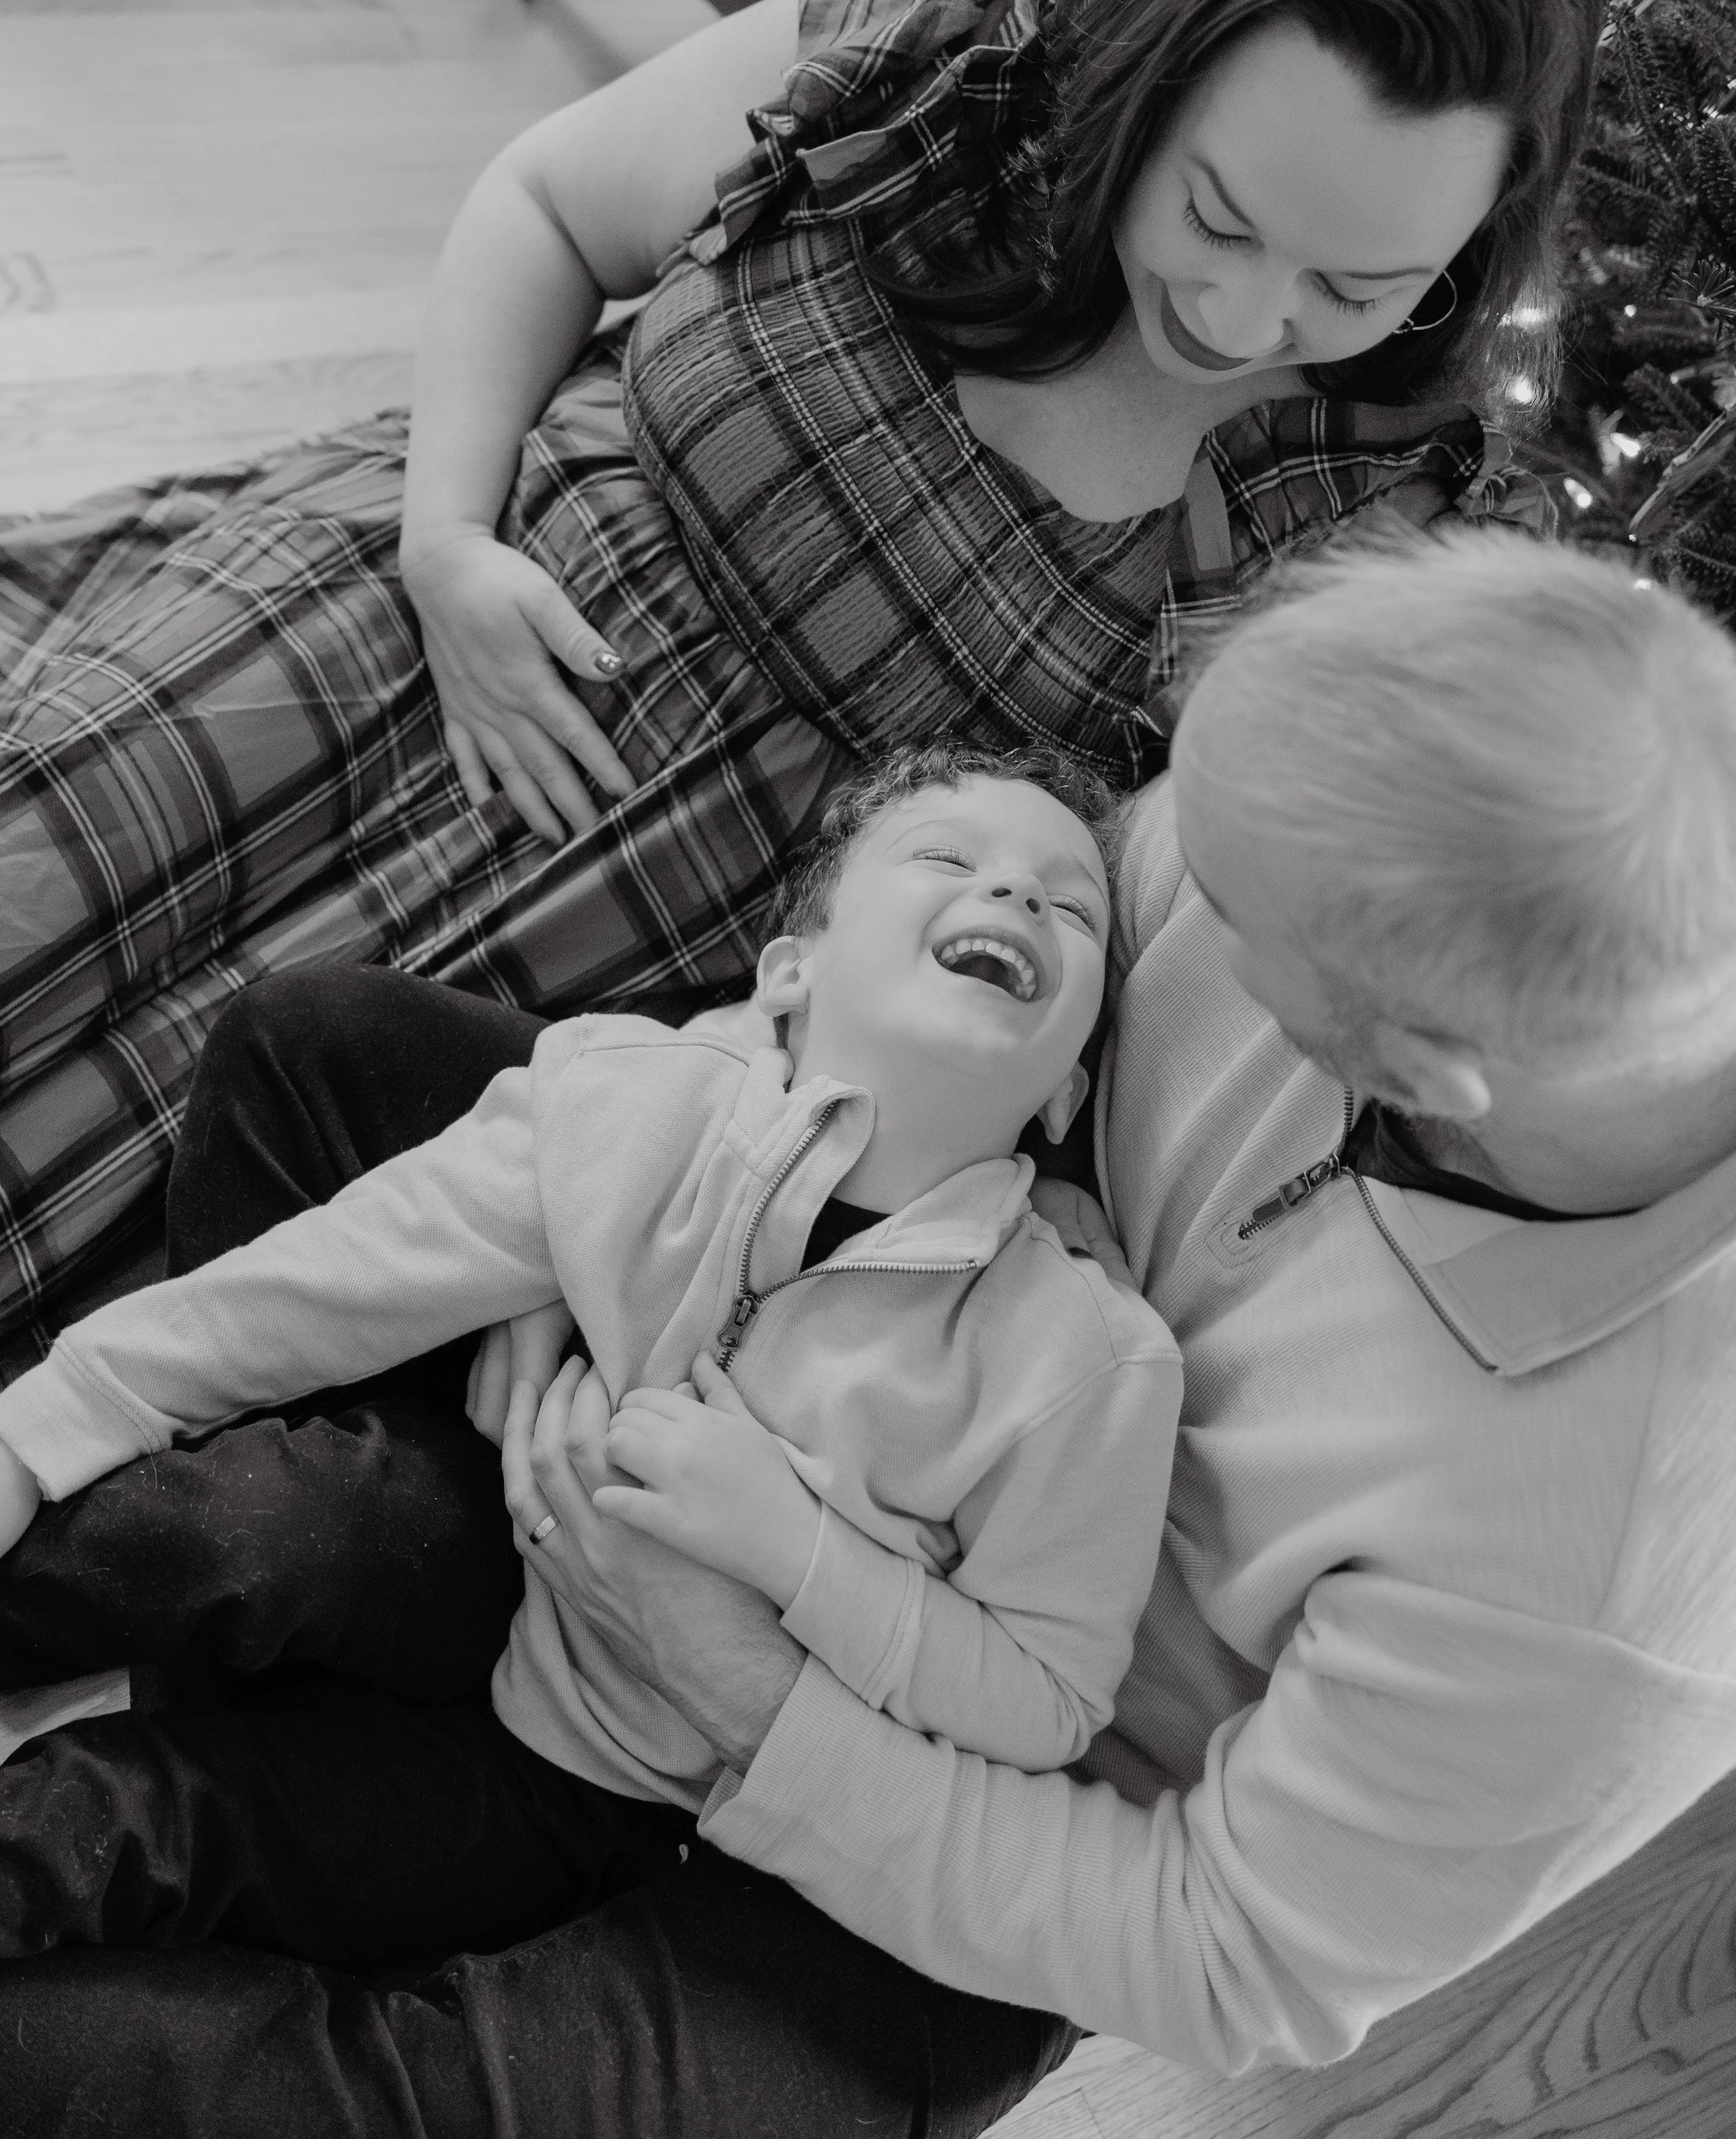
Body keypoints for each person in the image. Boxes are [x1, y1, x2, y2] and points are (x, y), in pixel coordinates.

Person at [5, 526, 1736, 2139]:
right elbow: (904, 992)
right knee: (319, 1054)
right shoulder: (1401, 834)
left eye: (1215, 925)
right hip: (760, 1371)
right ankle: (275, 1724)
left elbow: (1224, 1956)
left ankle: (327, 1810)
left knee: (334, 2087)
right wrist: (590, 1239)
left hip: (984, 1809)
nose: (1151, 909)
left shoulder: (1591, 1573)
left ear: (1402, 1075)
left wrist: (744, 1672)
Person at [0, 0, 1600, 1342]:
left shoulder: (1367, 502)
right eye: (1216, 214)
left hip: (622, 960)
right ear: (1160, 61)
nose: (1248, 323)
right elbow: (549, 205)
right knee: (44, 867)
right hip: (424, 609)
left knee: (163, 1291)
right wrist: (444, 546)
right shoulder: (958, 47)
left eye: (1357, 282)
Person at [0, 747, 1181, 1969]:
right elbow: (311, 1291)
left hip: (585, 1791)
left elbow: (1047, 1698)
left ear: (1067, 1095)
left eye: (1074, 905)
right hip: (479, 1550)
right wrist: (36, 1431)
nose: (1021, 897)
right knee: (231, 1525)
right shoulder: (622, 1103)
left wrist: (796, 1546)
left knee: (110, 1822)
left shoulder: (1088, 1364)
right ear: (792, 971)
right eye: (949, 857)